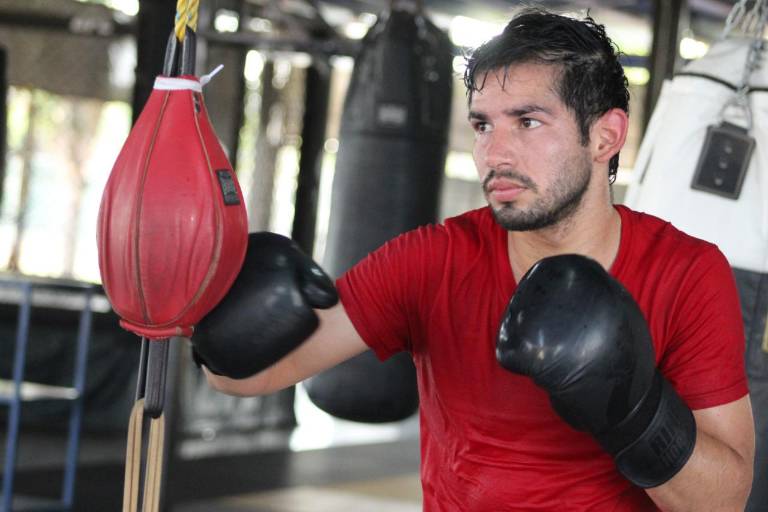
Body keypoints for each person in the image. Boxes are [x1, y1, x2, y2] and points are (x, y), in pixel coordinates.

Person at [191, 8, 755, 511]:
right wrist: (230, 332)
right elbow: (246, 378)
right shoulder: (433, 259)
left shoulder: (688, 274)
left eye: (527, 122)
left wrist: (636, 411)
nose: (494, 153)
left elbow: (723, 501)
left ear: (605, 136)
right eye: (484, 124)